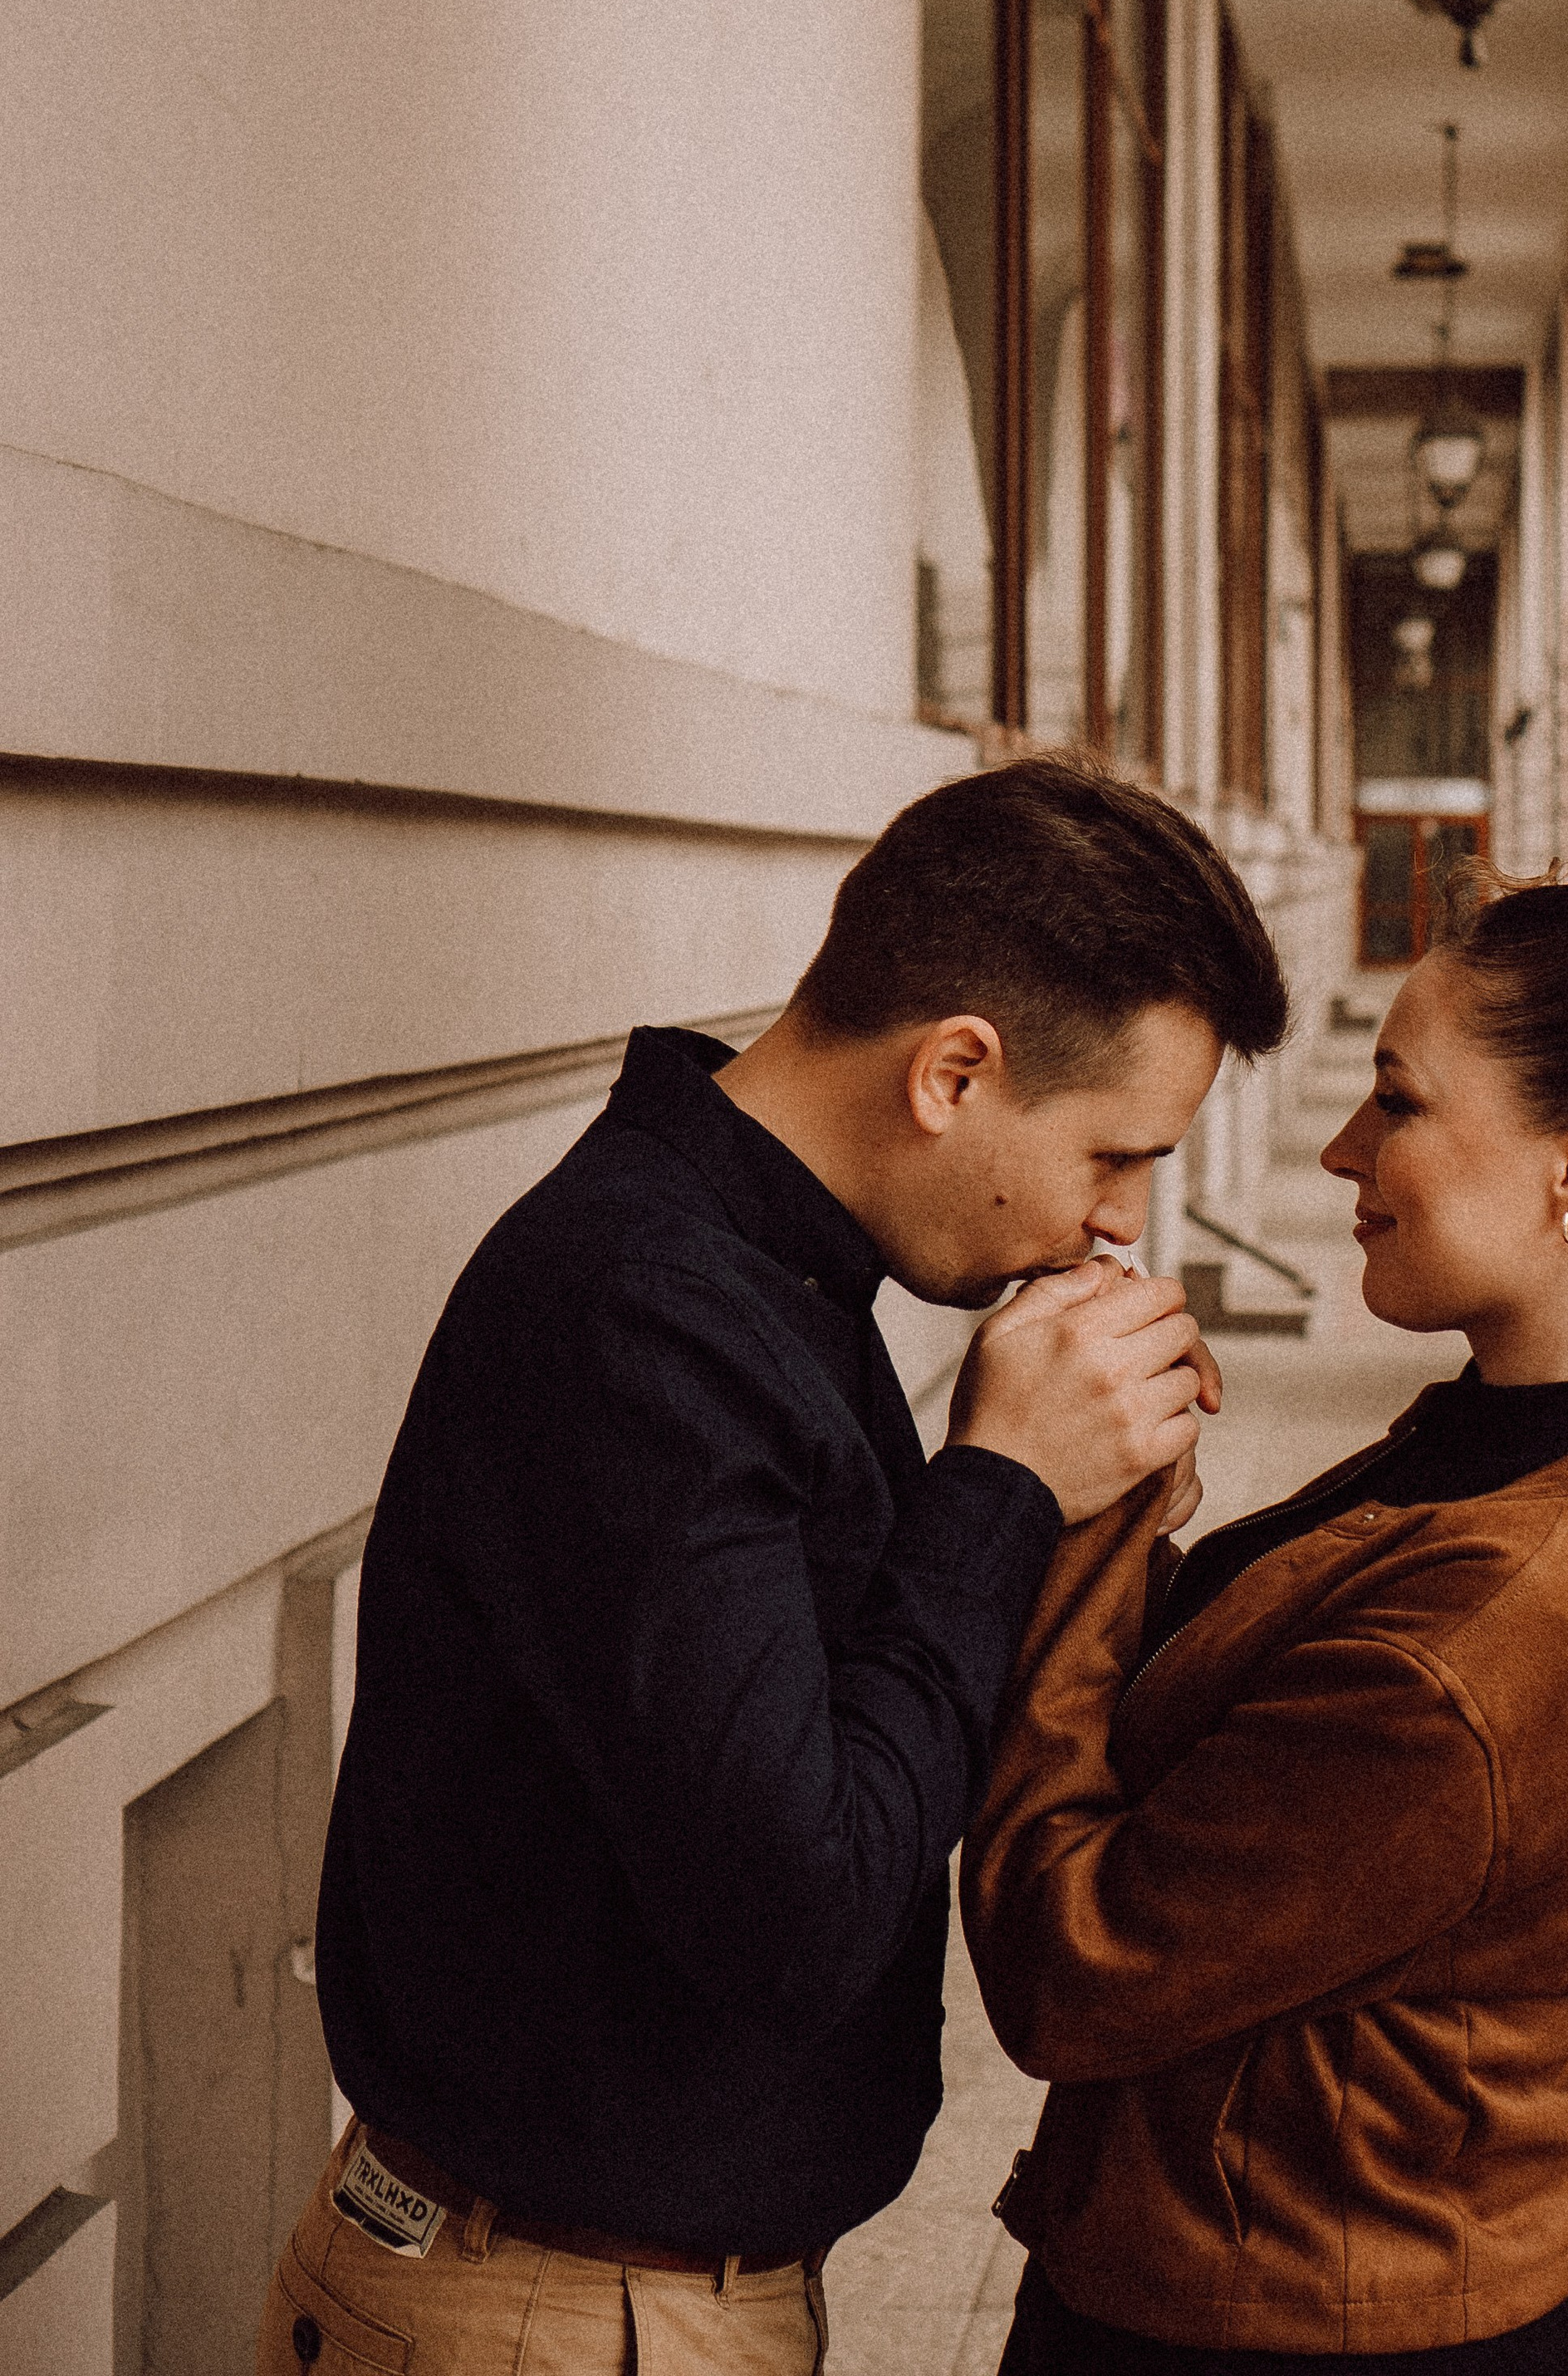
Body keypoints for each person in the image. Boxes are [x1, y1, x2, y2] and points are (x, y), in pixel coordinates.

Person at [257, 756, 1288, 2376]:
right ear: (953, 1069)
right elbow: (796, 1914)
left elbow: (832, 1723)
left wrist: (1067, 1522)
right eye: (1112, 1154)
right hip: (549, 2312)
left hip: (593, 2292)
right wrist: (1001, 1488)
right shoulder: (646, 1312)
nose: (1119, 1224)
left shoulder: (775, 1270)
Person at [962, 841, 1568, 2375]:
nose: (1343, 1153)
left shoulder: (1502, 1624)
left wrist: (1049, 1503)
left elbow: (1071, 1965)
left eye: (1403, 1100)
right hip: (1402, 2261)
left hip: (1282, 2322)